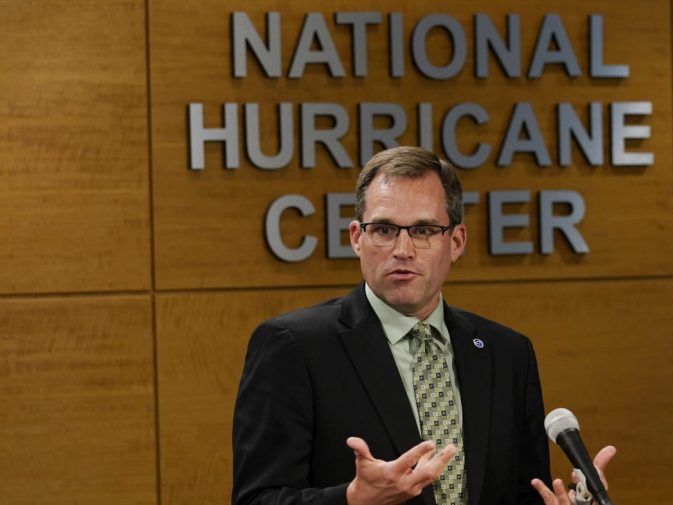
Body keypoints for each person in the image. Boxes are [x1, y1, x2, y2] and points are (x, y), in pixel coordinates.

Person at [232, 146, 614, 505]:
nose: (403, 249)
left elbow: (523, 493)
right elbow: (256, 499)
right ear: (356, 238)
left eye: (424, 230)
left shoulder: (507, 353)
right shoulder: (294, 347)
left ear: (457, 241)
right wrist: (351, 500)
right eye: (384, 229)